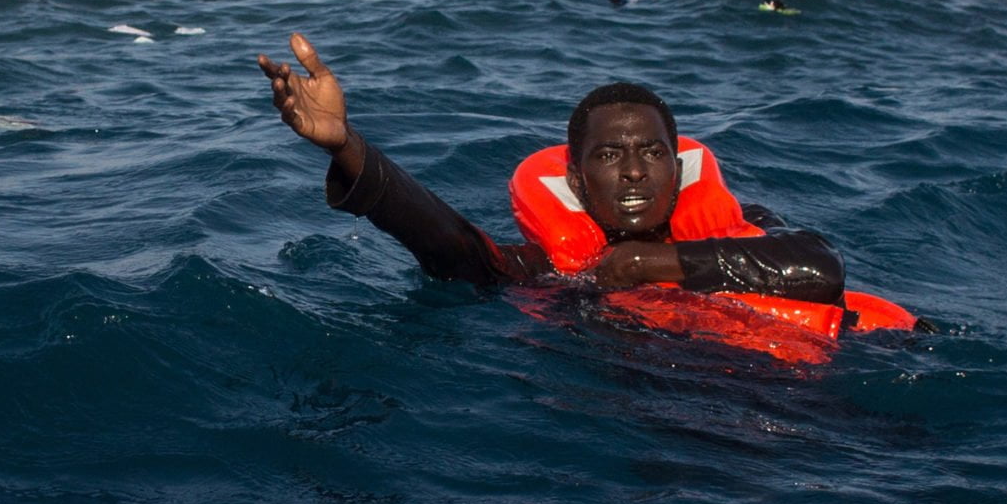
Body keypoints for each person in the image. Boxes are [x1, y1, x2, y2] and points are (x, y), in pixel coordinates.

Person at [256, 34, 853, 300]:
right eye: (609, 156)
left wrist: (646, 263)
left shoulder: (739, 227)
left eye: (652, 153)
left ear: (677, 168)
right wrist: (346, 146)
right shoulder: (550, 271)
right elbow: (447, 243)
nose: (635, 172)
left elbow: (821, 268)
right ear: (575, 180)